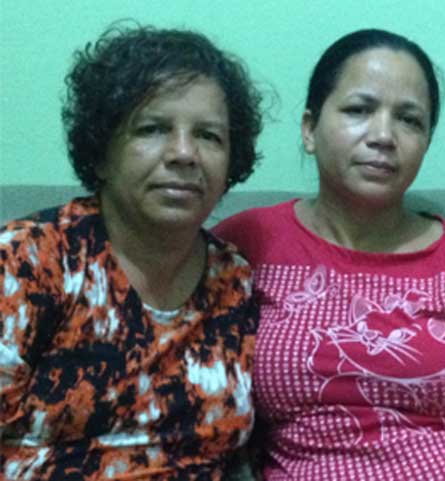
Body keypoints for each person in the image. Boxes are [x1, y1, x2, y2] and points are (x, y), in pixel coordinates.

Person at [214, 28, 445, 480]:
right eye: (359, 110)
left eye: (409, 120)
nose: (383, 135)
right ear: (309, 129)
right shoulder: (246, 243)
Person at [0, 23, 265, 480]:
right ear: (101, 154)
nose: (184, 153)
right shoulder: (30, 261)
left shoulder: (234, 279)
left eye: (209, 136)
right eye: (153, 128)